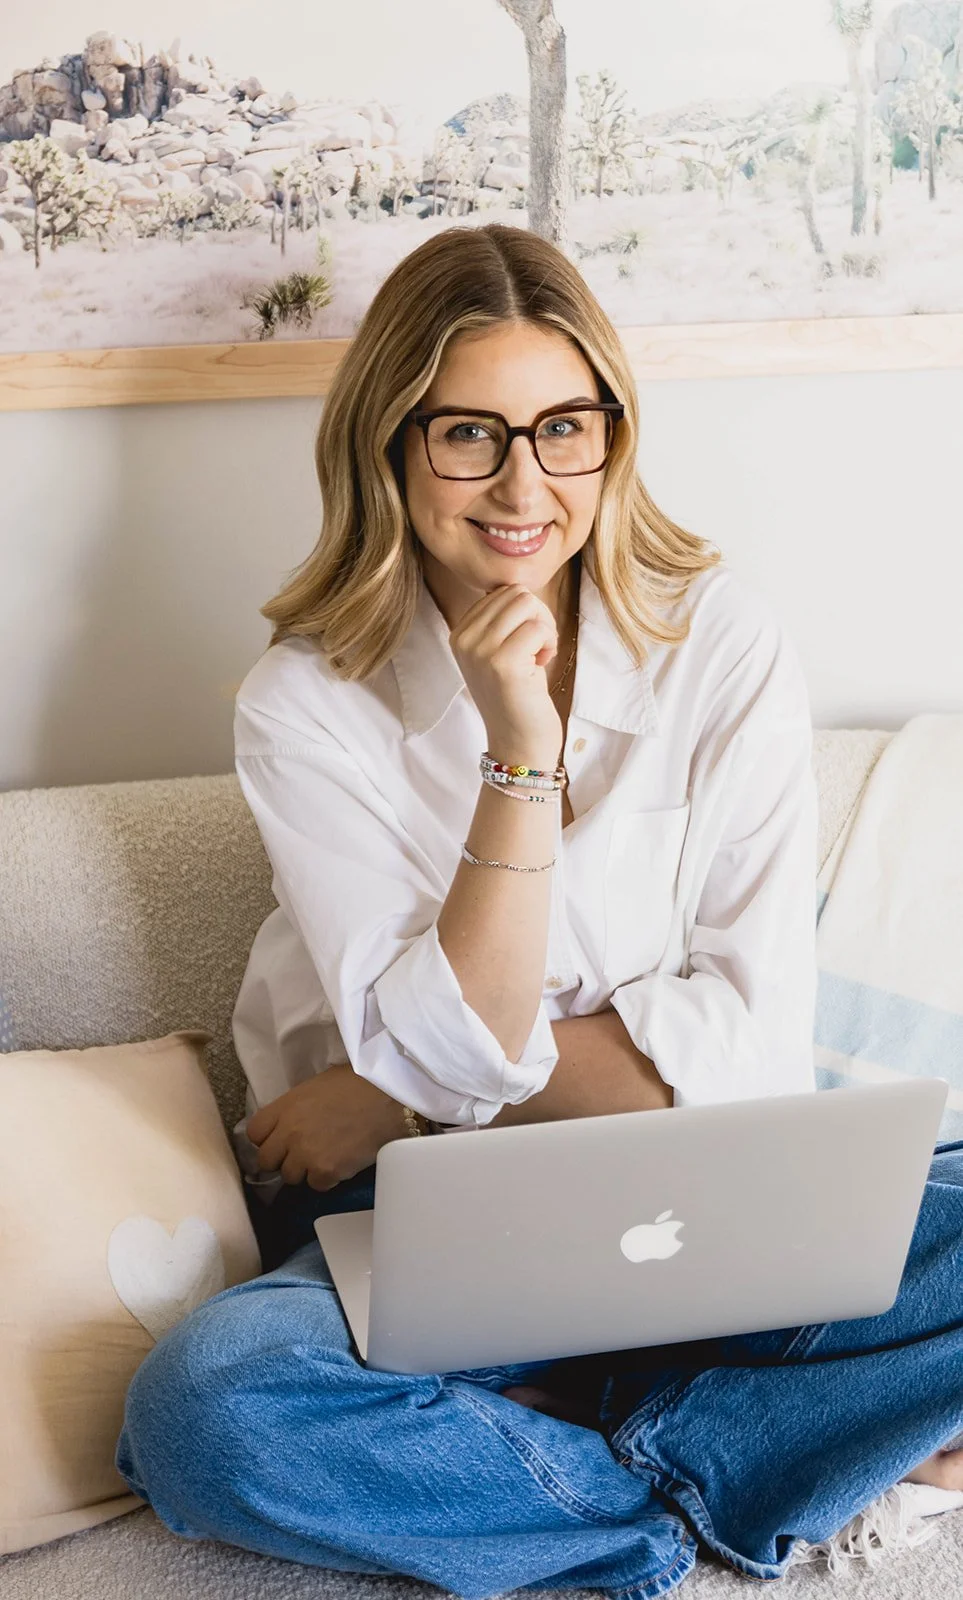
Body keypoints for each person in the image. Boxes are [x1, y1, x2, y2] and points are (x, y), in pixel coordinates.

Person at [115, 223, 963, 1598]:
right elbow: (461, 1050)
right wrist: (518, 757)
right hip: (427, 1226)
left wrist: (386, 1090)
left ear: (614, 439)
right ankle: (682, 1501)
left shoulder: (719, 641)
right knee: (205, 1411)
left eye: (563, 427)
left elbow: (745, 1051)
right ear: (390, 445)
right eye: (469, 434)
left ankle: (600, 1437)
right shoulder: (305, 704)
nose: (524, 483)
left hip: (709, 1198)